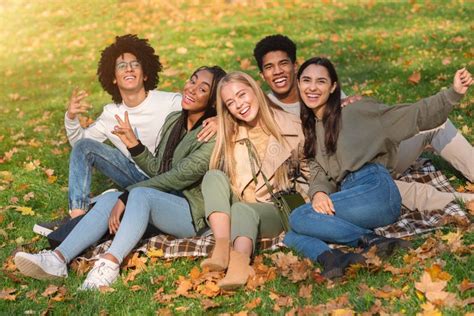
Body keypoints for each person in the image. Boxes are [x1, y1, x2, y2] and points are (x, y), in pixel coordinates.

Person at [15, 66, 226, 290]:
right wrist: (133, 144)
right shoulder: (174, 120)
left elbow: (176, 178)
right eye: (192, 81)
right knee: (109, 199)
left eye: (202, 88)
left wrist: (128, 196)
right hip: (166, 200)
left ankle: (110, 264)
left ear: (213, 101)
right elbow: (158, 170)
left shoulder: (211, 134)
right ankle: (57, 259)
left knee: (137, 195)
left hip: (192, 215)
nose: (192, 89)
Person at [283, 57, 472, 279]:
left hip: (375, 187)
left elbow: (413, 115)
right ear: (298, 83)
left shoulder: (357, 111)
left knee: (298, 217)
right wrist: (319, 192)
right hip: (354, 198)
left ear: (333, 87)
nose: (312, 87)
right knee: (291, 235)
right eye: (306, 80)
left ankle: (367, 240)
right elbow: (317, 171)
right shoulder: (312, 130)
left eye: (321, 81)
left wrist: (453, 93)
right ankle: (332, 258)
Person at [253, 34, 474, 212]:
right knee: (401, 193)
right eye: (269, 67)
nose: (278, 71)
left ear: (294, 66)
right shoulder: (265, 110)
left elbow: (375, 120)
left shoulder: (320, 87)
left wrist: (453, 94)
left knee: (438, 125)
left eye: (283, 63)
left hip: (377, 159)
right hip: (344, 180)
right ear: (262, 74)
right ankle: (464, 200)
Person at [33, 34, 217, 236]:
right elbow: (80, 146)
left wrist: (218, 119)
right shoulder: (110, 114)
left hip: (168, 179)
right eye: (121, 66)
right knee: (85, 147)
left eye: (135, 64)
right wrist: (71, 118)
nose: (128, 68)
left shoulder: (170, 102)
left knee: (114, 198)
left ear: (145, 74)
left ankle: (102, 209)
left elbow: (205, 102)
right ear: (113, 77)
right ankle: (77, 219)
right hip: (134, 175)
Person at [200, 71, 308, 290]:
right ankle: (221, 249)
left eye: (242, 95)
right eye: (230, 102)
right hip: (242, 202)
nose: (239, 105)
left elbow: (309, 172)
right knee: (213, 176)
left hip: (275, 208)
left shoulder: (291, 126)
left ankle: (239, 265)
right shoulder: (229, 132)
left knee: (243, 209)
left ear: (255, 91)